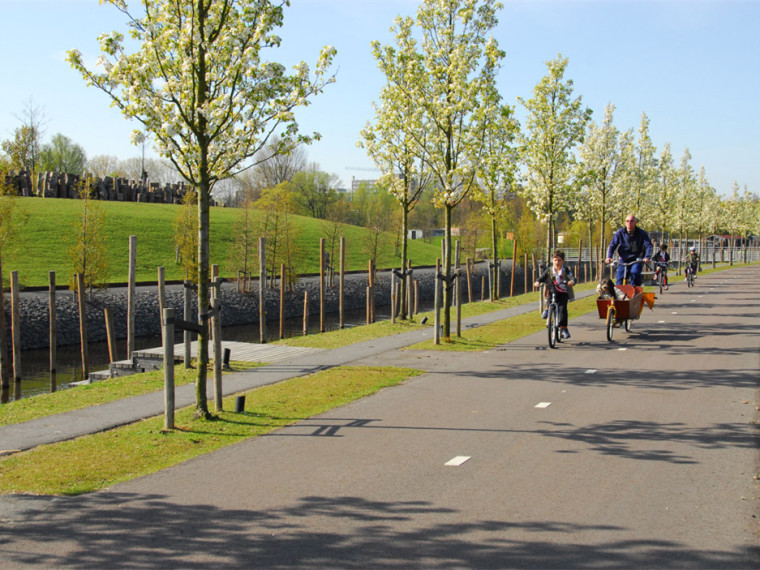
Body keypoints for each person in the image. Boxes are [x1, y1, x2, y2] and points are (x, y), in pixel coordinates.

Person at [534, 250, 576, 339]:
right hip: (552, 291)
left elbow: (571, 277)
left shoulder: (565, 270)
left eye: (559, 260)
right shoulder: (549, 270)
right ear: (552, 260)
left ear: (563, 261)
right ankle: (547, 310)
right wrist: (537, 282)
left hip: (563, 292)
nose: (557, 262)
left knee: (562, 309)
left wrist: (571, 281)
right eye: (555, 260)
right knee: (549, 301)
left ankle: (564, 328)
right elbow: (542, 277)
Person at [604, 214, 653, 286]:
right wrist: (609, 256)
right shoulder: (620, 233)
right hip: (623, 260)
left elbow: (648, 246)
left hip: (636, 260)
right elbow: (612, 245)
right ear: (625, 222)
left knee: (635, 273)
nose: (629, 223)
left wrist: (647, 257)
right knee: (619, 281)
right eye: (627, 221)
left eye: (631, 221)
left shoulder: (642, 234)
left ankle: (634, 292)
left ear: (636, 222)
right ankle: (619, 295)